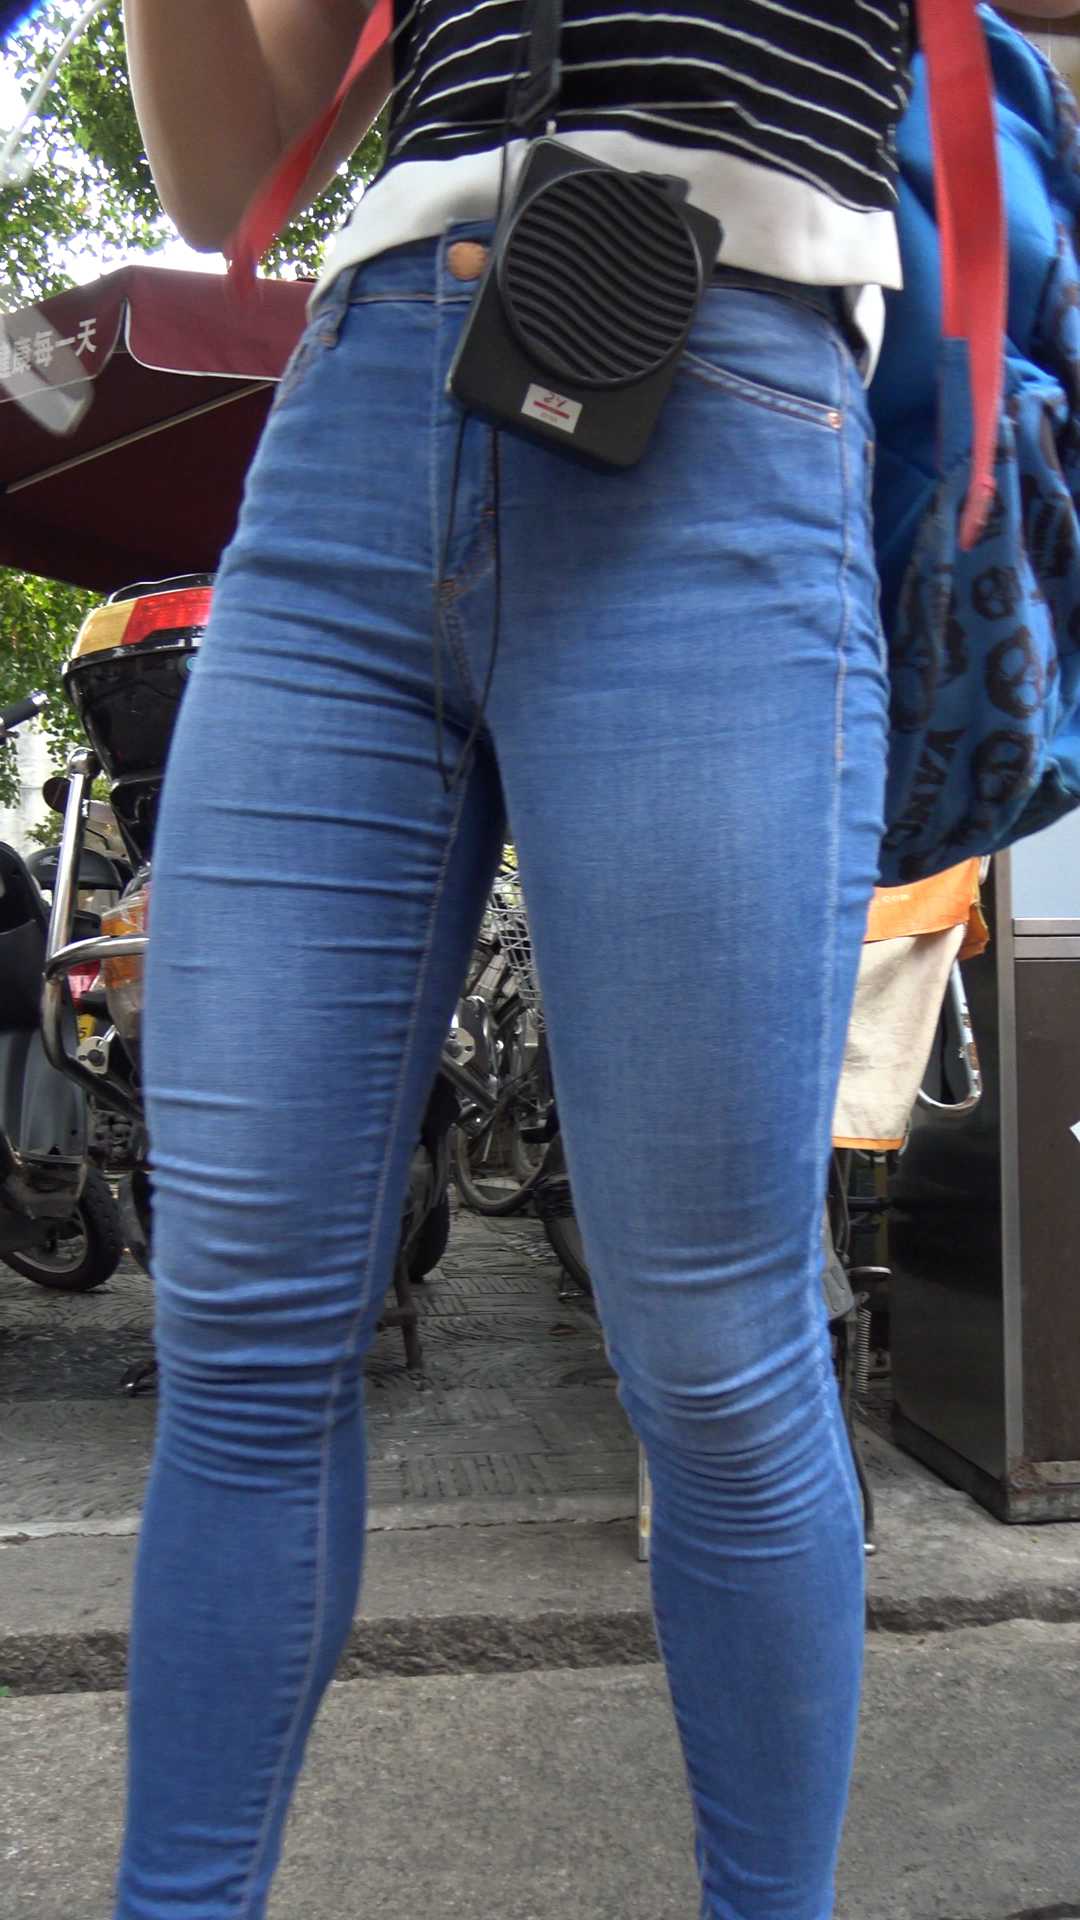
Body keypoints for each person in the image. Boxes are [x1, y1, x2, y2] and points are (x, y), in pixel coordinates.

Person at [113, 5, 1053, 1917]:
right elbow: (225, 178)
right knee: (241, 1328)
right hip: (354, 428)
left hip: (728, 401)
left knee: (712, 1351)